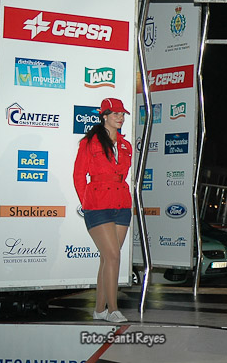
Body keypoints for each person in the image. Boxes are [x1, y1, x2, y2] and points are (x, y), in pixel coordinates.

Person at [73, 98, 133, 323]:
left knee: (108, 259)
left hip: (121, 203)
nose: (121, 117)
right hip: (98, 204)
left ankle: (99, 310)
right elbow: (79, 175)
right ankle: (113, 310)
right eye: (116, 113)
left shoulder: (126, 145)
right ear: (104, 116)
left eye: (122, 114)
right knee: (113, 257)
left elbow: (122, 174)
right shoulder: (89, 142)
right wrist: (87, 202)